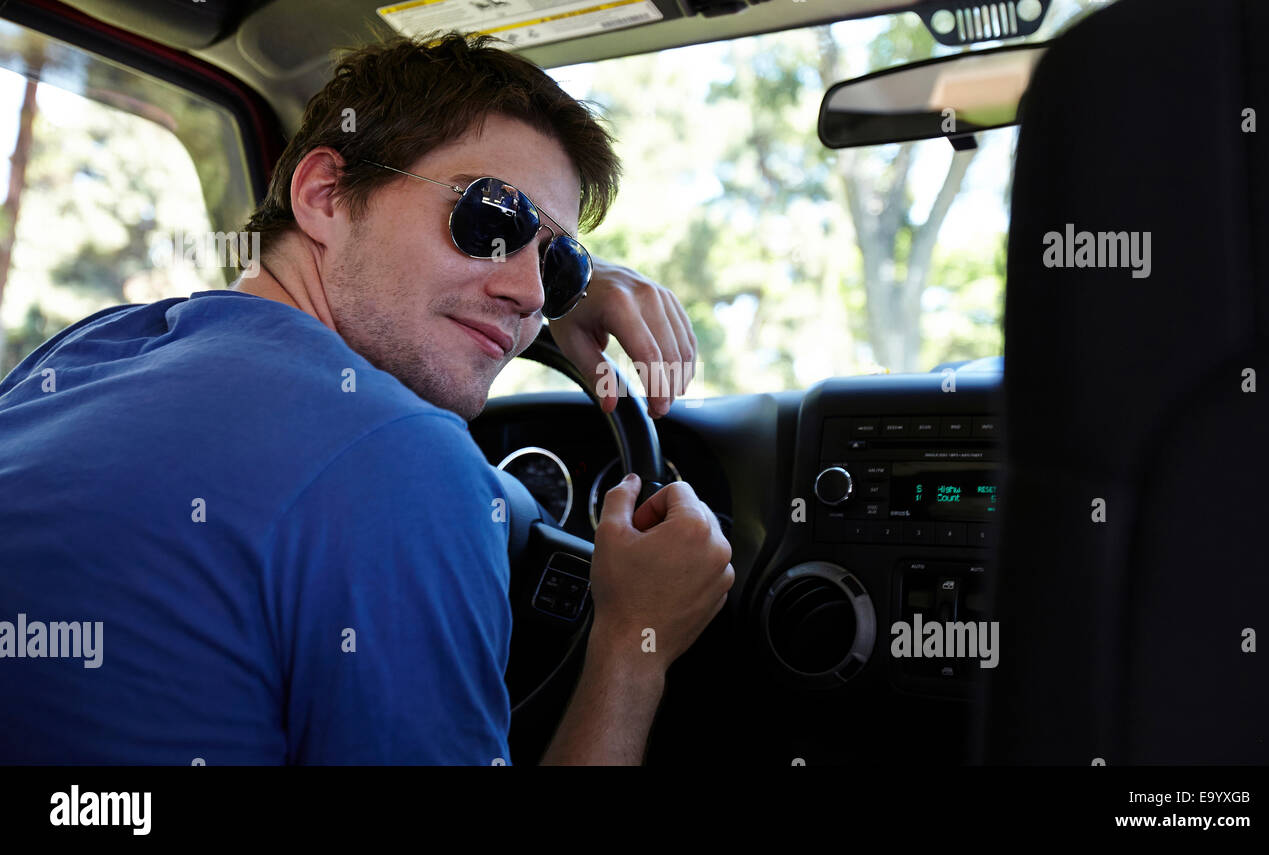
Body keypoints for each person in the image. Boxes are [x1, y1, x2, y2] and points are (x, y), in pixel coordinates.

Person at [0, 32, 733, 765]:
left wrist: (522, 276)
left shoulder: (92, 349)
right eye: (491, 220)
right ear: (323, 196)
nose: (530, 294)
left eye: (557, 264)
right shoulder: (403, 459)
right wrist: (633, 642)